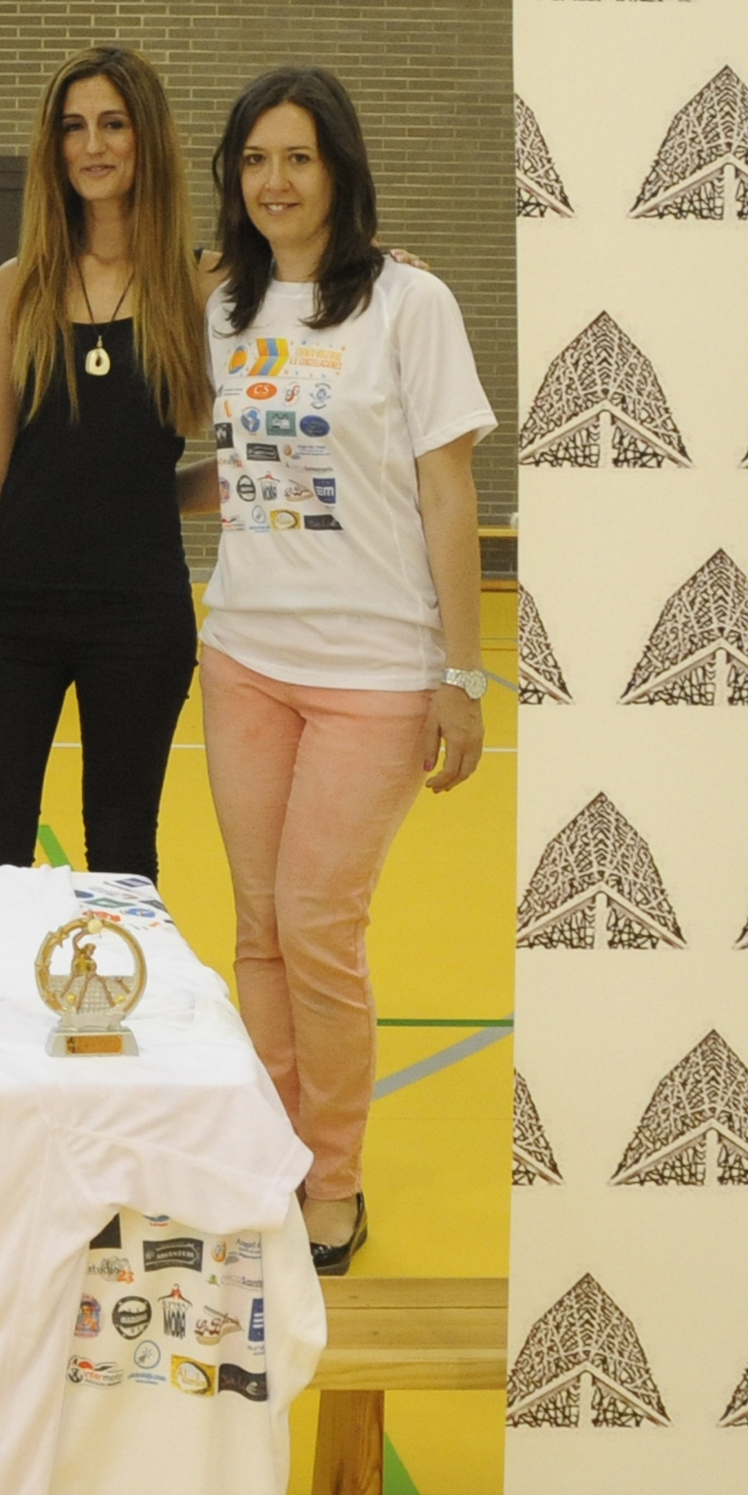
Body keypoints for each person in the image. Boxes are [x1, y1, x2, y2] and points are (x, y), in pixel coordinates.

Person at [192, 66, 495, 1277]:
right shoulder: (222, 306)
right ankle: (267, 1159)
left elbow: (447, 488)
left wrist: (461, 678)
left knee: (321, 926)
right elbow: (224, 469)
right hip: (246, 656)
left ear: (340, 170)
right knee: (258, 928)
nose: (275, 182)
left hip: (374, 667)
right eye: (256, 161)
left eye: (299, 159)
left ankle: (334, 1180)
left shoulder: (411, 303)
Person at [0, 47, 208, 879]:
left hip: (140, 615)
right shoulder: (20, 284)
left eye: (113, 124)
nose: (93, 145)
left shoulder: (201, 285)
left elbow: (318, 282)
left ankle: (111, 1010)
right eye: (73, 127)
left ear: (147, 139)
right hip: (15, 614)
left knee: (122, 854)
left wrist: (385, 268)